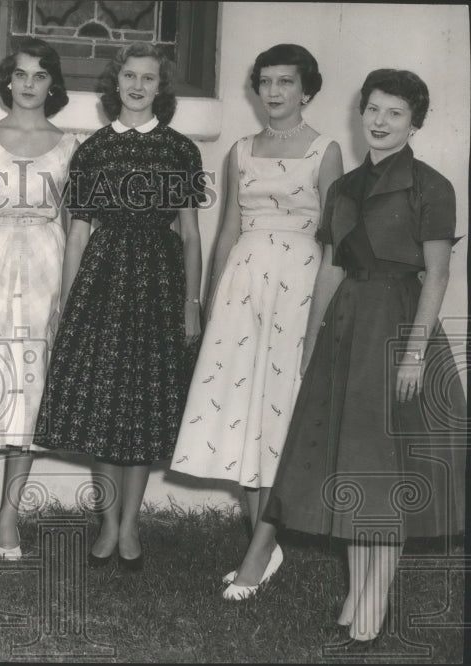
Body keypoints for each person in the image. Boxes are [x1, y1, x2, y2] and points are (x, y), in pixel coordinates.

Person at [264, 69, 466, 647]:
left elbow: (438, 275)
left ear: (414, 122)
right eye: (372, 109)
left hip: (399, 325)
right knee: (353, 465)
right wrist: (309, 345)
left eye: (394, 113)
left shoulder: (432, 186)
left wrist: (413, 354)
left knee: (388, 470)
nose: (379, 121)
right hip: (347, 329)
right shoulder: (344, 188)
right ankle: (357, 591)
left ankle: (375, 597)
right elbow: (330, 269)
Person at [168, 44, 343, 600]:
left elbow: (334, 242)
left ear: (306, 90)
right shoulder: (240, 150)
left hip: (297, 284)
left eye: (285, 82)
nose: (273, 92)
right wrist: (208, 301)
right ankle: (262, 544)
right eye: (265, 82)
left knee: (280, 413)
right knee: (244, 415)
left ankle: (259, 551)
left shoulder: (325, 151)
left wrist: (319, 313)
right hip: (243, 283)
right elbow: (225, 232)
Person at [33, 42, 205, 570]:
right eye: (129, 76)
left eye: (148, 79)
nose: (137, 86)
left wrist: (191, 304)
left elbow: (192, 236)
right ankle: (108, 523)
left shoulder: (181, 149)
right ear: (116, 84)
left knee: (145, 409)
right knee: (105, 411)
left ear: (160, 88)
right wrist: (66, 301)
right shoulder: (94, 150)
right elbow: (78, 232)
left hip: (158, 280)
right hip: (103, 280)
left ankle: (132, 524)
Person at [0, 38, 76, 560]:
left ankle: (10, 515)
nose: (29, 84)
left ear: (53, 84)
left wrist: (68, 293)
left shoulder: (70, 144)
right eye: (21, 74)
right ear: (8, 80)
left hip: (45, 265)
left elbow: (74, 225)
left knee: (28, 391)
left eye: (40, 75)